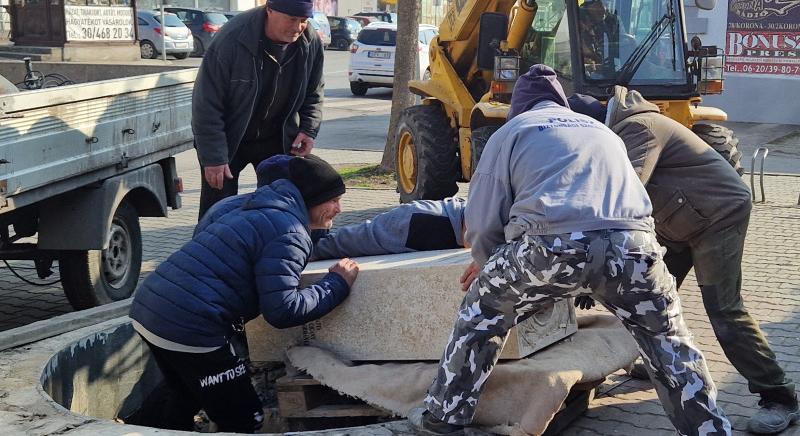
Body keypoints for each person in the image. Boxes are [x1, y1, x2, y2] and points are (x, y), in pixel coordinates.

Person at [408, 65, 731, 436]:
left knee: (482, 313)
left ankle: (444, 418)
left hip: (552, 247)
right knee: (670, 340)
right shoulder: (603, 132)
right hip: (635, 248)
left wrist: (490, 267)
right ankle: (710, 429)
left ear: (518, 107)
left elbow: (481, 223)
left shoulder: (512, 131)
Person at [570, 87, 798, 435]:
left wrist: (589, 267)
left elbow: (624, 196)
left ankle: (778, 395)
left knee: (724, 310)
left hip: (718, 217)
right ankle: (662, 361)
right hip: (678, 221)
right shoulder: (619, 134)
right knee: (645, 297)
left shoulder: (639, 128)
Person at [129, 154, 358, 433]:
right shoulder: (290, 231)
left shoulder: (248, 207)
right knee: (243, 417)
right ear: (310, 199)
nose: (340, 208)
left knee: (185, 394)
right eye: (333, 200)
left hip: (149, 308)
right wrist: (336, 284)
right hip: (192, 325)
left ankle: (137, 428)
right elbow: (284, 310)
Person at [192, 0, 325, 219]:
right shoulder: (232, 38)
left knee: (278, 206)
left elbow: (315, 90)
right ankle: (208, 251)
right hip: (227, 138)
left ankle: (268, 250)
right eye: (292, 19)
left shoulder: (309, 41)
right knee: (216, 210)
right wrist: (214, 157)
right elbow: (206, 104)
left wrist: (309, 129)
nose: (298, 27)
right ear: (269, 10)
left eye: (303, 20)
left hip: (276, 136)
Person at [307, 197, 467, 260]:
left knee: (348, 241)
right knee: (336, 245)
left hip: (446, 222)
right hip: (432, 222)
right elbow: (475, 228)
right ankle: (299, 249)